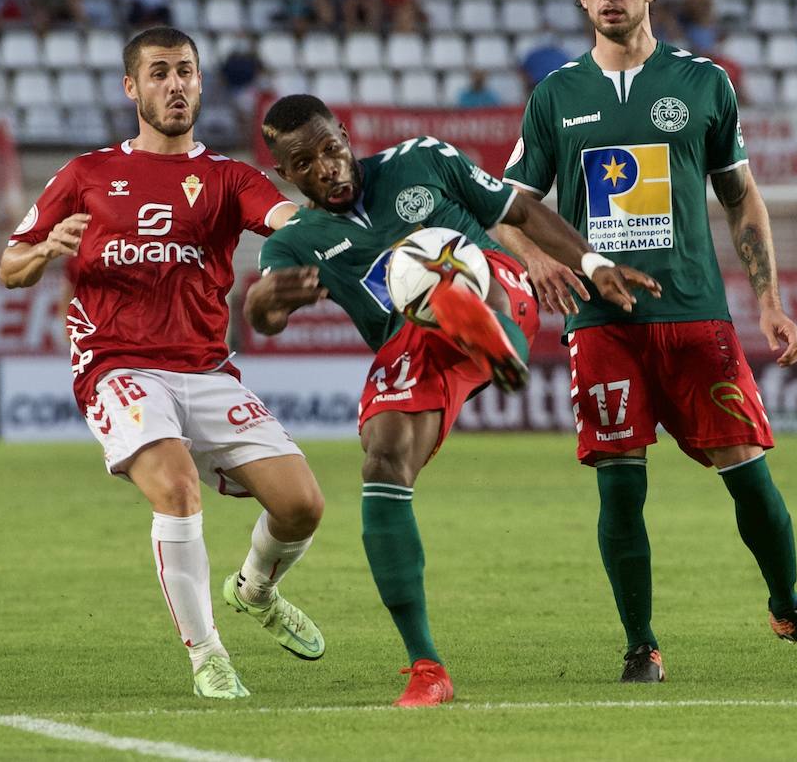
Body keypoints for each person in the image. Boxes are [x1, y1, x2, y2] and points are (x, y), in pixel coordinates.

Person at [497, 0, 797, 685]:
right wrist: (537, 261)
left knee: (749, 472)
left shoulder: (703, 83)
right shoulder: (555, 95)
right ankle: (641, 644)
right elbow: (509, 204)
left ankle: (789, 608)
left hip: (696, 313)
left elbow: (743, 198)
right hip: (602, 323)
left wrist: (769, 300)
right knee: (621, 484)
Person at [247, 94, 658, 707]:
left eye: (331, 149)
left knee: (455, 271)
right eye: (305, 164)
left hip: (498, 280)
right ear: (286, 174)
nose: (326, 169)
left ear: (345, 134)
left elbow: (518, 205)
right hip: (410, 342)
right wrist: (267, 299)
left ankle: (471, 313)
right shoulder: (294, 243)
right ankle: (426, 668)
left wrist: (592, 261)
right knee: (382, 463)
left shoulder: (420, 158)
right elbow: (263, 315)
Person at [0, 27, 327, 700]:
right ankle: (208, 654)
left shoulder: (227, 177)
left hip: (206, 371)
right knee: (178, 488)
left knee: (302, 506)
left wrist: (324, 225)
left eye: (185, 72)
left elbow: (287, 219)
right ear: (132, 88)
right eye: (158, 73)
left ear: (201, 84)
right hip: (117, 366)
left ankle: (256, 591)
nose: (175, 84)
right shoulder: (85, 175)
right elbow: (11, 266)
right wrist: (44, 251)